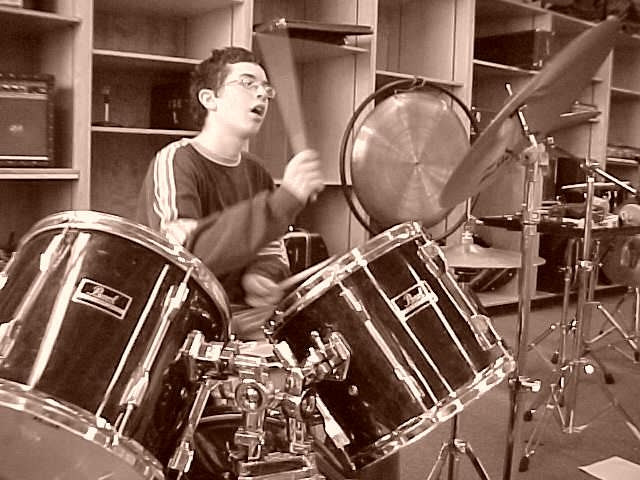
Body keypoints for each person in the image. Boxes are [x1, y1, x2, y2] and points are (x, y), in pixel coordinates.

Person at [136, 46, 324, 329]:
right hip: (186, 319)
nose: (262, 94)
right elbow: (183, 258)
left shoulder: (257, 171)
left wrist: (261, 275)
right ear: (209, 99)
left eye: (266, 88)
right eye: (248, 83)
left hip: (242, 317)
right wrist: (284, 201)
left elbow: (272, 249)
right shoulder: (176, 160)